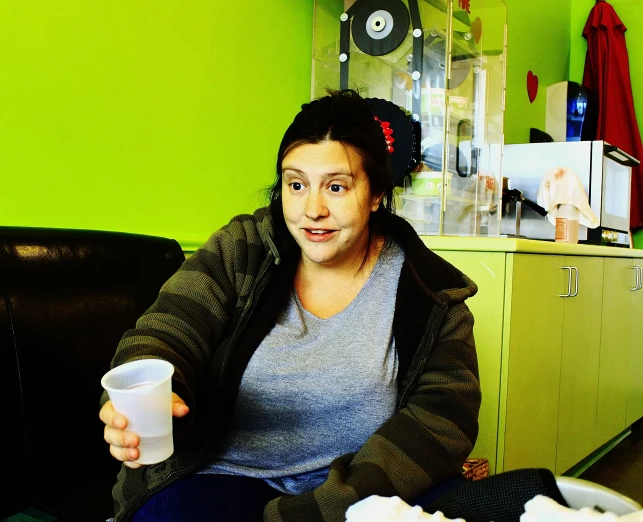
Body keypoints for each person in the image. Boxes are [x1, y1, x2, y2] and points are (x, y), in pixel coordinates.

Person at [99, 89, 481, 522]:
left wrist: (319, 510)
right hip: (224, 481)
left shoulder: (430, 292)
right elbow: (168, 327)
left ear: (376, 194)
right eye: (296, 184)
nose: (311, 210)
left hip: (358, 492)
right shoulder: (242, 249)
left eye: (336, 187)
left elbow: (443, 417)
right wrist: (154, 392)